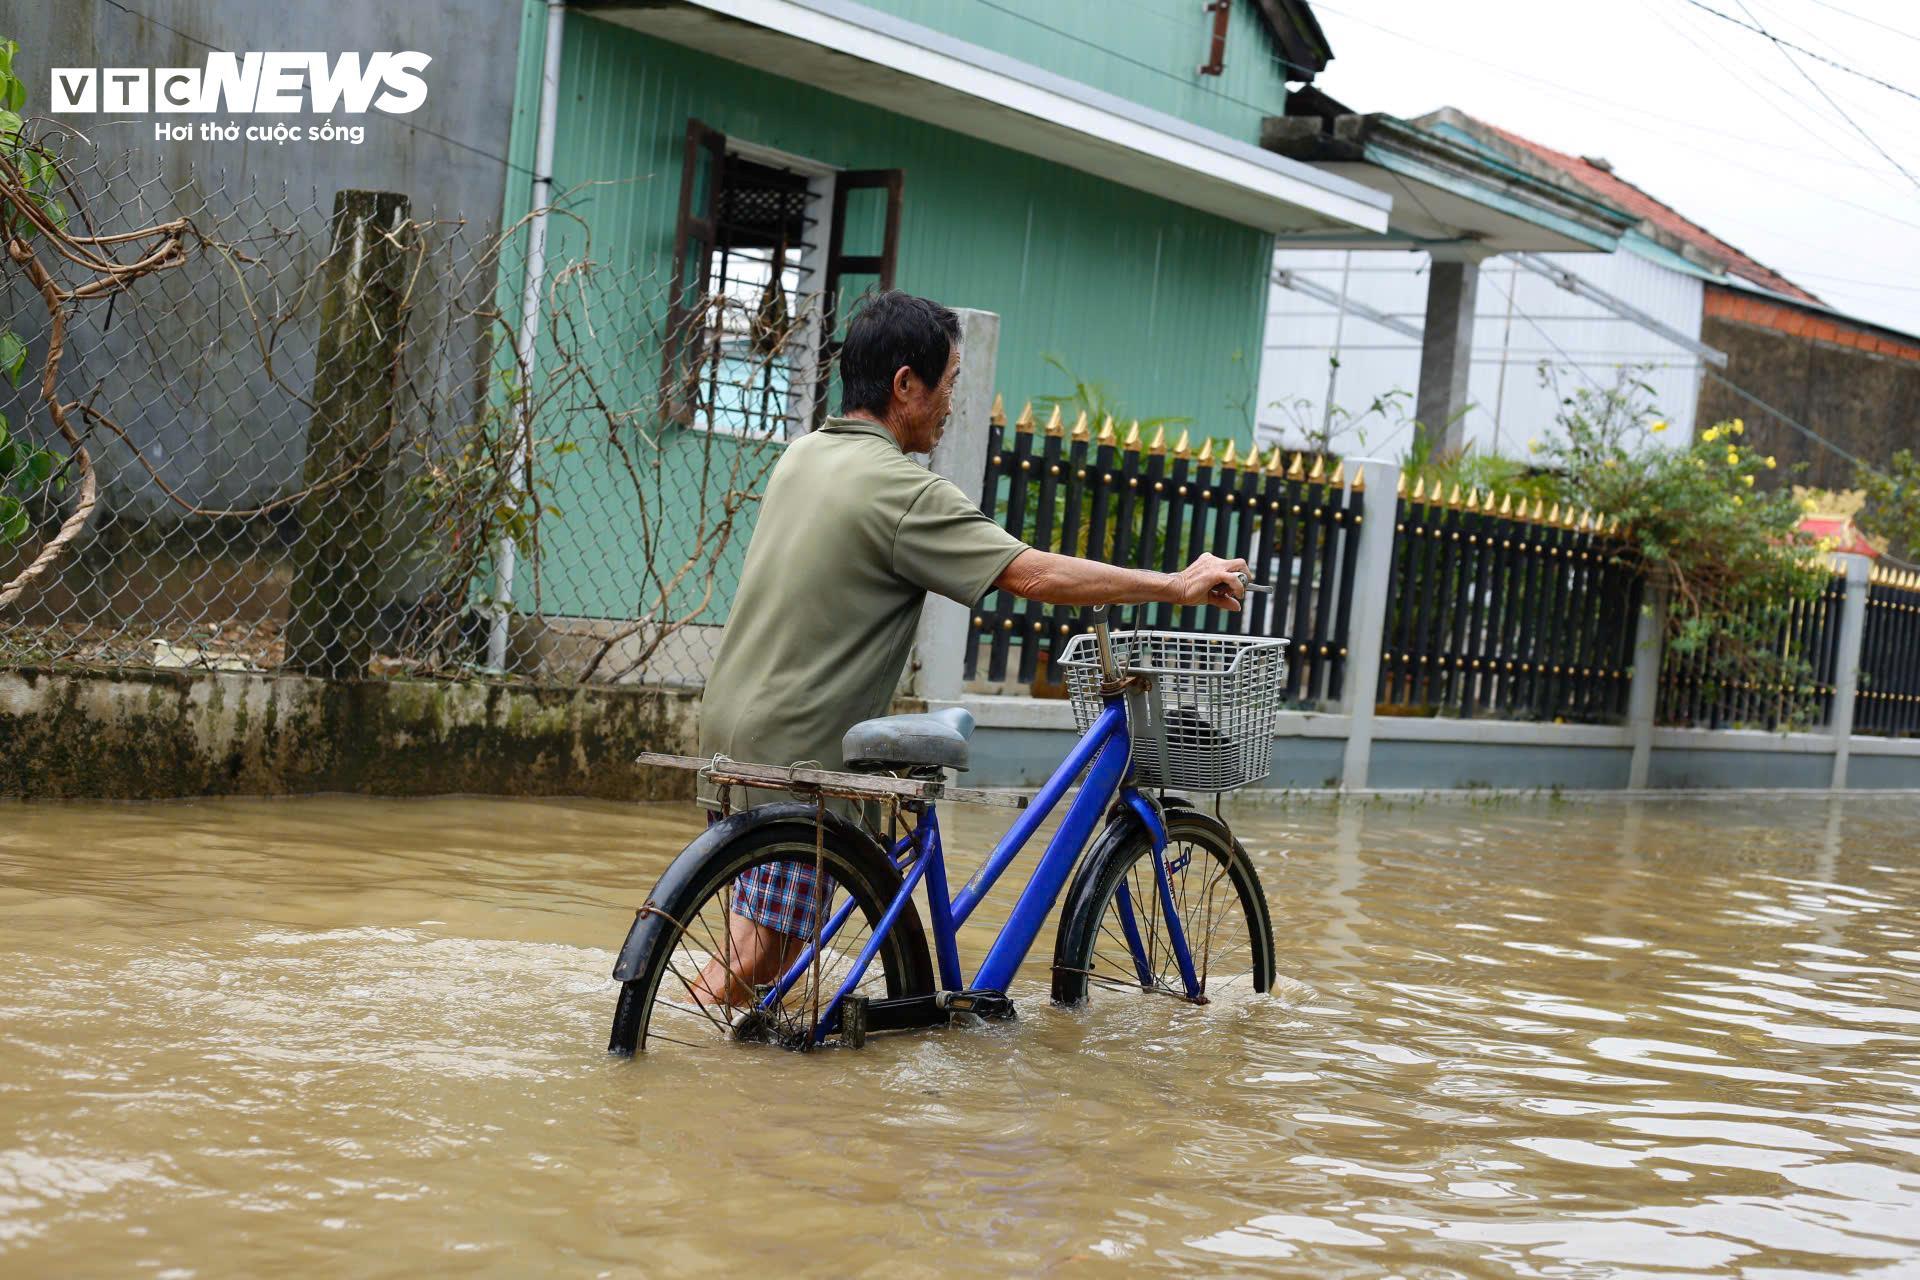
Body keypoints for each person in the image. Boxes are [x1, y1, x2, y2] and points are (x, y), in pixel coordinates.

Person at [691, 291, 1248, 1004]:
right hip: (799, 752)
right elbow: (1032, 573)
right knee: (755, 961)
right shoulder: (902, 490)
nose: (953, 403)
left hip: (730, 727)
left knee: (773, 967)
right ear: (906, 385)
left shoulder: (804, 455)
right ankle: (651, 1055)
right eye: (950, 383)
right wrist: (1174, 584)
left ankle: (705, 1049)